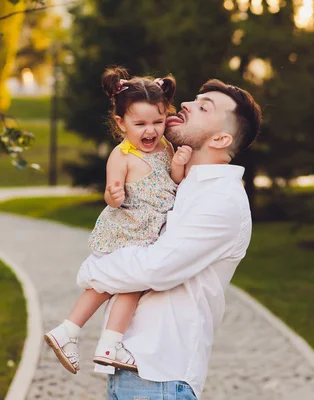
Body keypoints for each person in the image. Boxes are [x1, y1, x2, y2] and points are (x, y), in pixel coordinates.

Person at [77, 79, 262, 399]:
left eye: (205, 107)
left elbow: (155, 269)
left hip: (161, 378)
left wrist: (93, 272)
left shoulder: (221, 199)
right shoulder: (183, 183)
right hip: (136, 370)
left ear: (221, 138)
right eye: (195, 99)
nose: (187, 105)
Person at [44, 66, 193, 374]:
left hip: (148, 233)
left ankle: (71, 333)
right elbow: (110, 195)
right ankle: (106, 344)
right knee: (128, 284)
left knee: (112, 285)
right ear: (121, 123)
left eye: (158, 121)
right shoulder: (122, 156)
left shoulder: (166, 148)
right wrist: (114, 195)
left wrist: (179, 165)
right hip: (129, 232)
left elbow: (174, 181)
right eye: (140, 123)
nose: (150, 130)